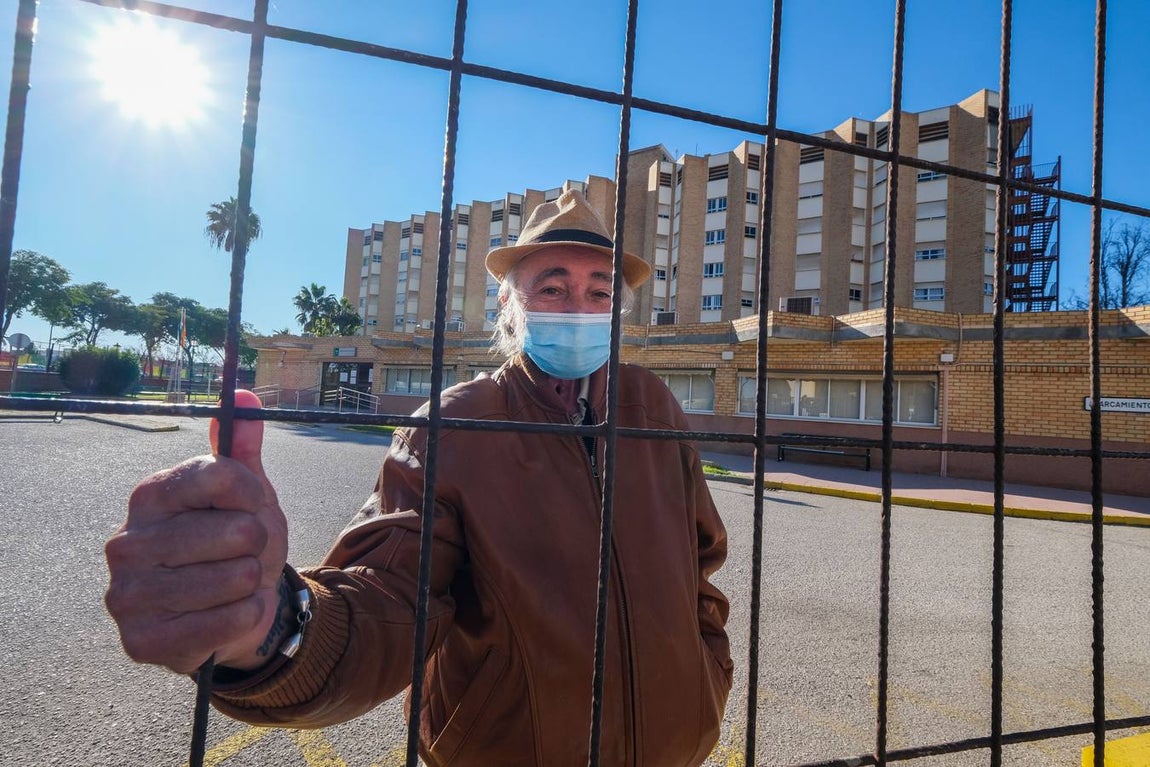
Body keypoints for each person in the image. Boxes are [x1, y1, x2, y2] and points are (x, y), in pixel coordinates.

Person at [105, 189, 732, 766]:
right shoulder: (457, 425)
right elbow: (389, 592)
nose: (579, 307)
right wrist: (272, 629)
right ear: (510, 308)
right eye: (552, 288)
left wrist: (708, 671)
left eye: (599, 292)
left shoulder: (654, 409)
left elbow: (699, 565)